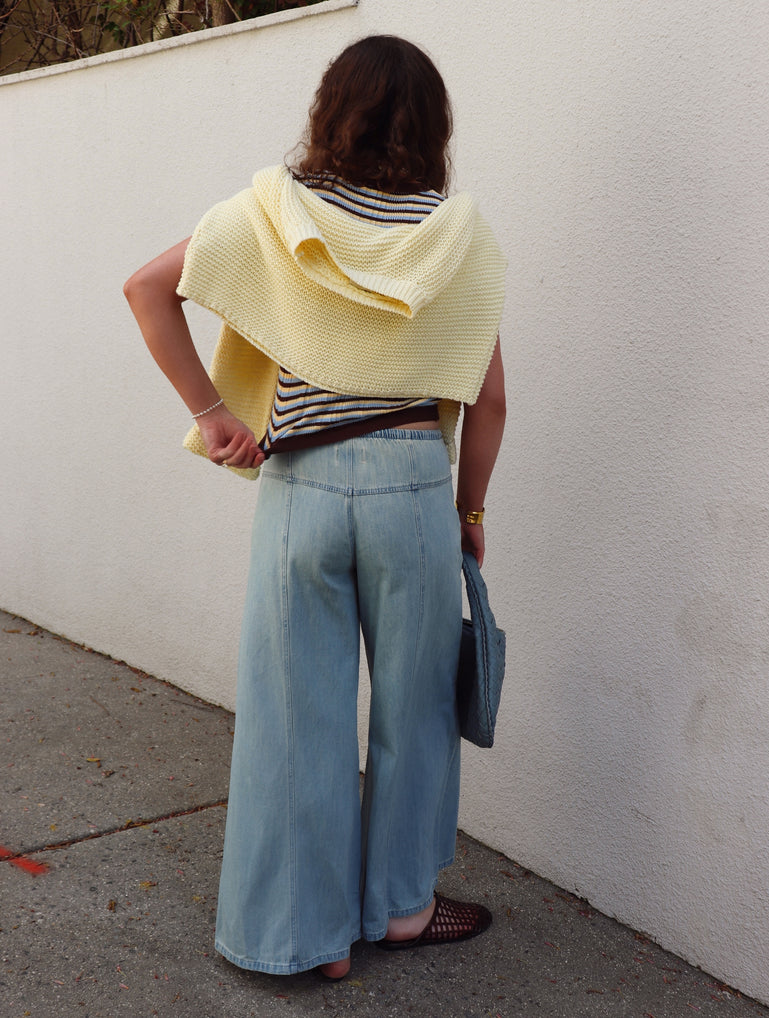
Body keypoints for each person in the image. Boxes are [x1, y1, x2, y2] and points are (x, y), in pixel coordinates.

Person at [124, 34, 506, 981]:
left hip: (304, 483)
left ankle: (301, 939)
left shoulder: (271, 213)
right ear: (435, 126)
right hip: (414, 484)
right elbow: (490, 400)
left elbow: (146, 288)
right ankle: (404, 911)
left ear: (331, 110)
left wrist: (213, 416)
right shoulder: (455, 236)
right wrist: (471, 513)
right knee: (415, 710)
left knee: (297, 714)